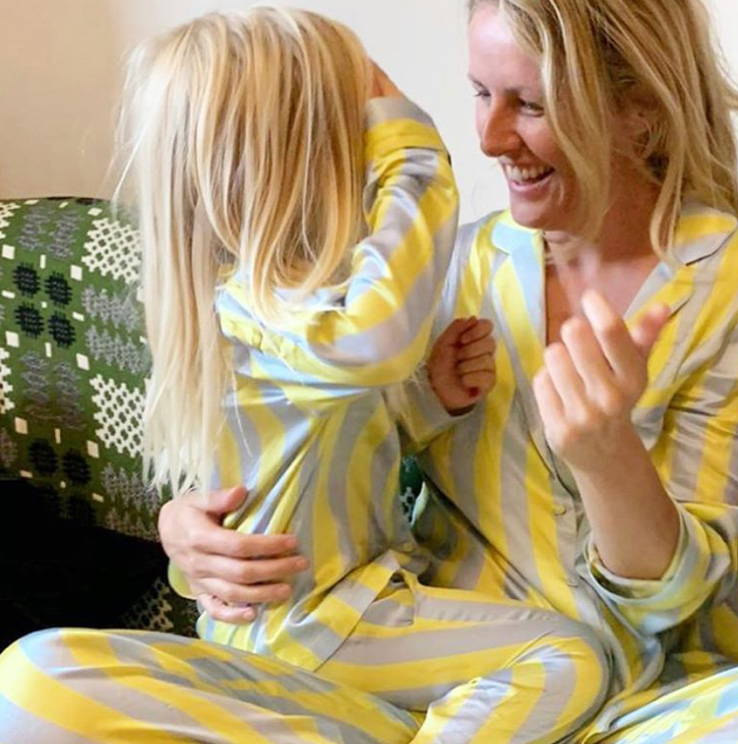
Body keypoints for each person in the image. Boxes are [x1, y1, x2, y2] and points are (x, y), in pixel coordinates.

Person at [159, 1, 738, 741]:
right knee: (36, 683)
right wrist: (188, 536)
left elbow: (674, 605)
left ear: (639, 111)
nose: (490, 137)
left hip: (649, 709)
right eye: (478, 94)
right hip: (440, 702)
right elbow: (331, 470)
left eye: (529, 104)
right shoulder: (439, 270)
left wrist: (608, 452)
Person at [0, 8, 611, 744]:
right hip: (326, 624)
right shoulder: (267, 305)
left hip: (309, 632)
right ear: (303, 156)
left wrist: (425, 399)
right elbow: (374, 341)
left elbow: (318, 449)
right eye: (354, 126)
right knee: (565, 657)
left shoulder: (286, 308)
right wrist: (409, 142)